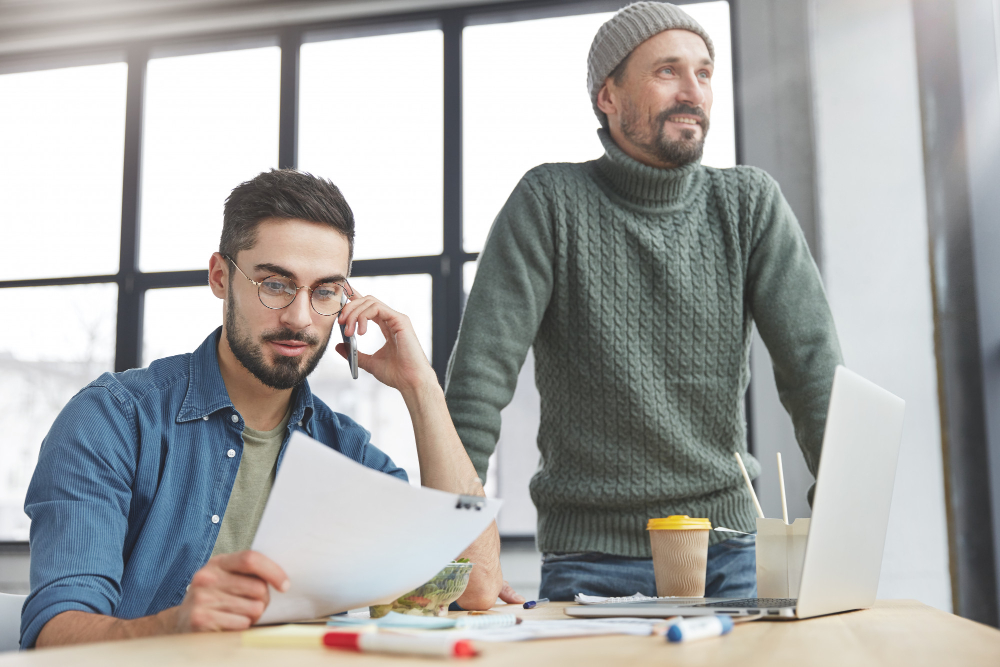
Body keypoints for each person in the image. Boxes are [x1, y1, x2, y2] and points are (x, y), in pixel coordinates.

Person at [444, 1, 843, 601]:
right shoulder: (549, 202)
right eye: (667, 71)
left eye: (703, 73)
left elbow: (815, 372)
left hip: (728, 552)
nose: (693, 92)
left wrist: (838, 524)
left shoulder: (749, 204)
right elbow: (479, 381)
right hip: (592, 561)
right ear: (608, 96)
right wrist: (456, 539)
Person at [22, 169, 518, 649]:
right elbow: (53, 637)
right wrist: (173, 626)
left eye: (325, 291)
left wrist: (421, 388)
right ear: (220, 277)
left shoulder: (345, 451)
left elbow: (475, 586)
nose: (299, 318)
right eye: (275, 284)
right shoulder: (112, 420)